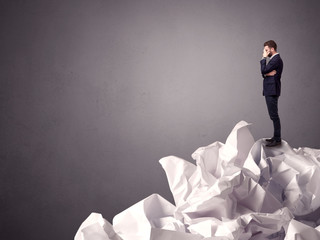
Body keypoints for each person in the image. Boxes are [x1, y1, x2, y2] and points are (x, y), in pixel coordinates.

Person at [260, 40, 283, 147]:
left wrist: (264, 58)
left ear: (272, 49)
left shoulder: (276, 60)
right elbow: (264, 73)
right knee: (273, 115)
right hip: (271, 89)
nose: (265, 52)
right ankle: (275, 137)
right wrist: (267, 74)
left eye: (266, 50)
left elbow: (263, 70)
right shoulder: (274, 60)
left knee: (274, 115)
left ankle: (277, 139)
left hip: (272, 90)